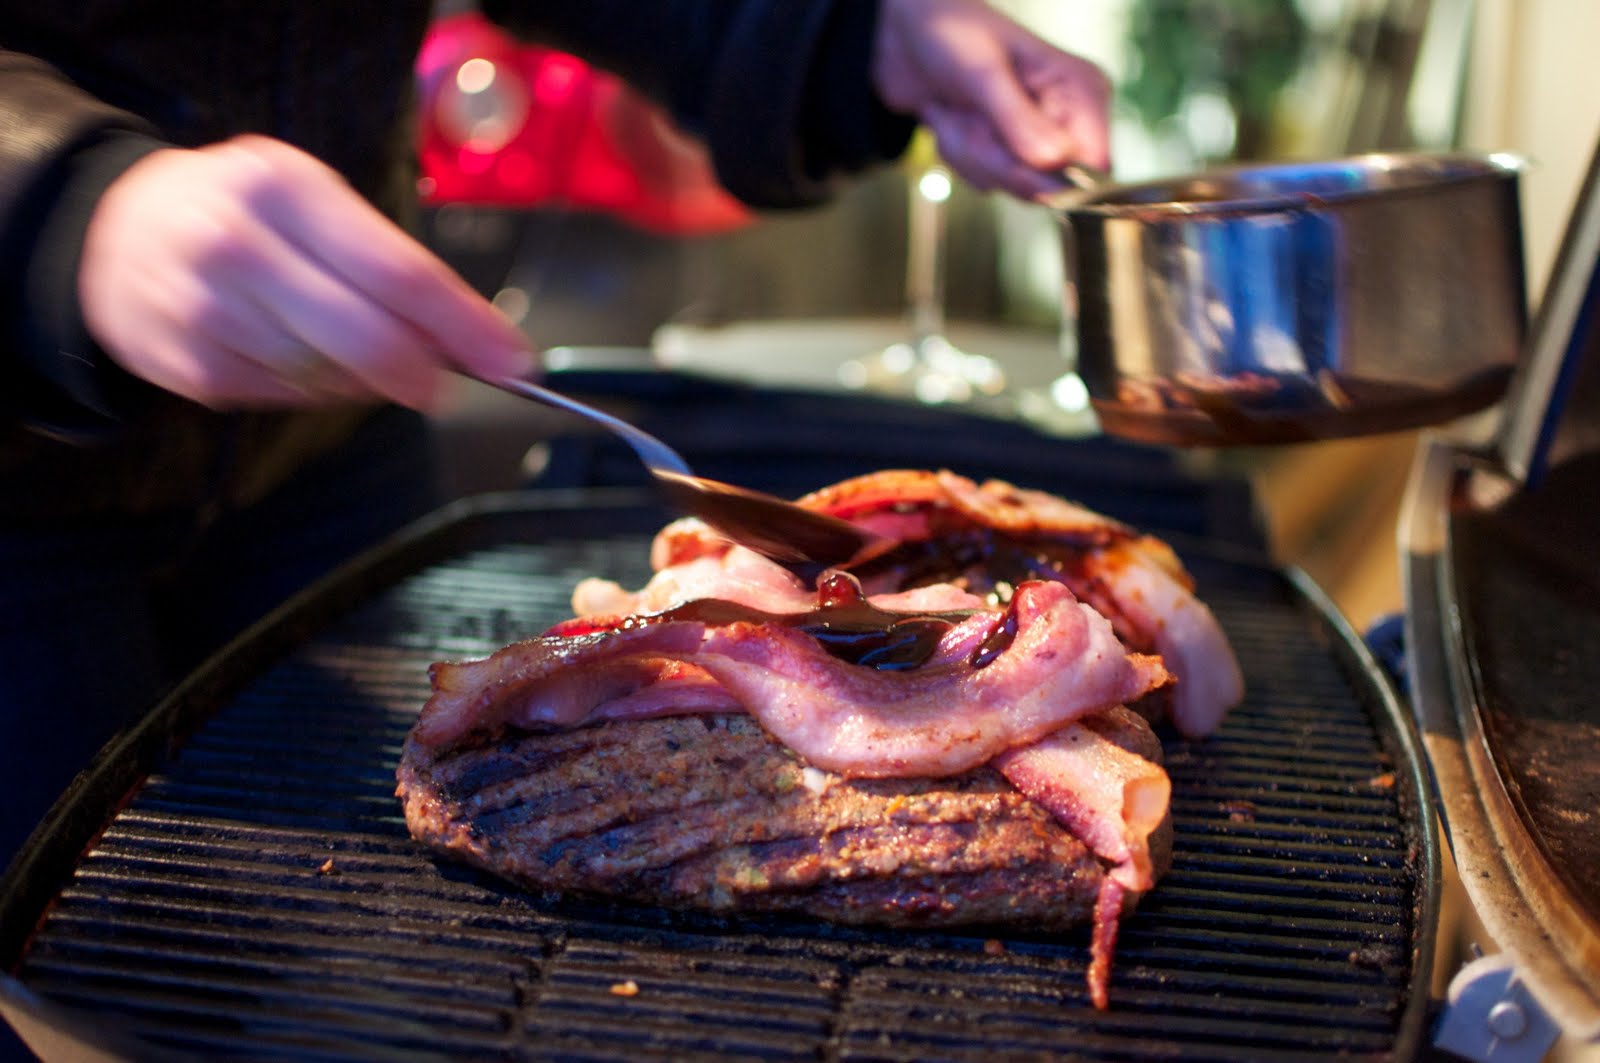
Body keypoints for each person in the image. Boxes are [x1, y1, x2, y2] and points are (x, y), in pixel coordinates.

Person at [0, 0, 1110, 869]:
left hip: (330, 443)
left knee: (364, 945)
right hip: (22, 498)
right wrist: (57, 209)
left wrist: (847, 23)